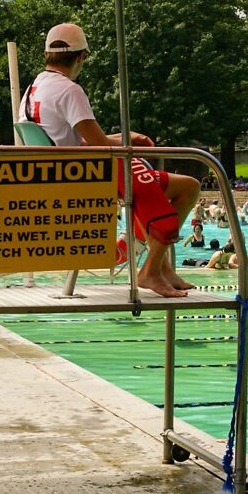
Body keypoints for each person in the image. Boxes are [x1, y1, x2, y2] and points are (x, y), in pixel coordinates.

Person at [19, 23, 199, 298]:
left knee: (177, 183)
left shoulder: (33, 89)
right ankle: (151, 271)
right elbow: (99, 144)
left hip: (62, 171)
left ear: (47, 56)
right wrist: (125, 144)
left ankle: (160, 267)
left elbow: (78, 138)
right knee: (180, 190)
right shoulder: (69, 90)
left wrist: (127, 137)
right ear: (81, 57)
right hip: (86, 175)